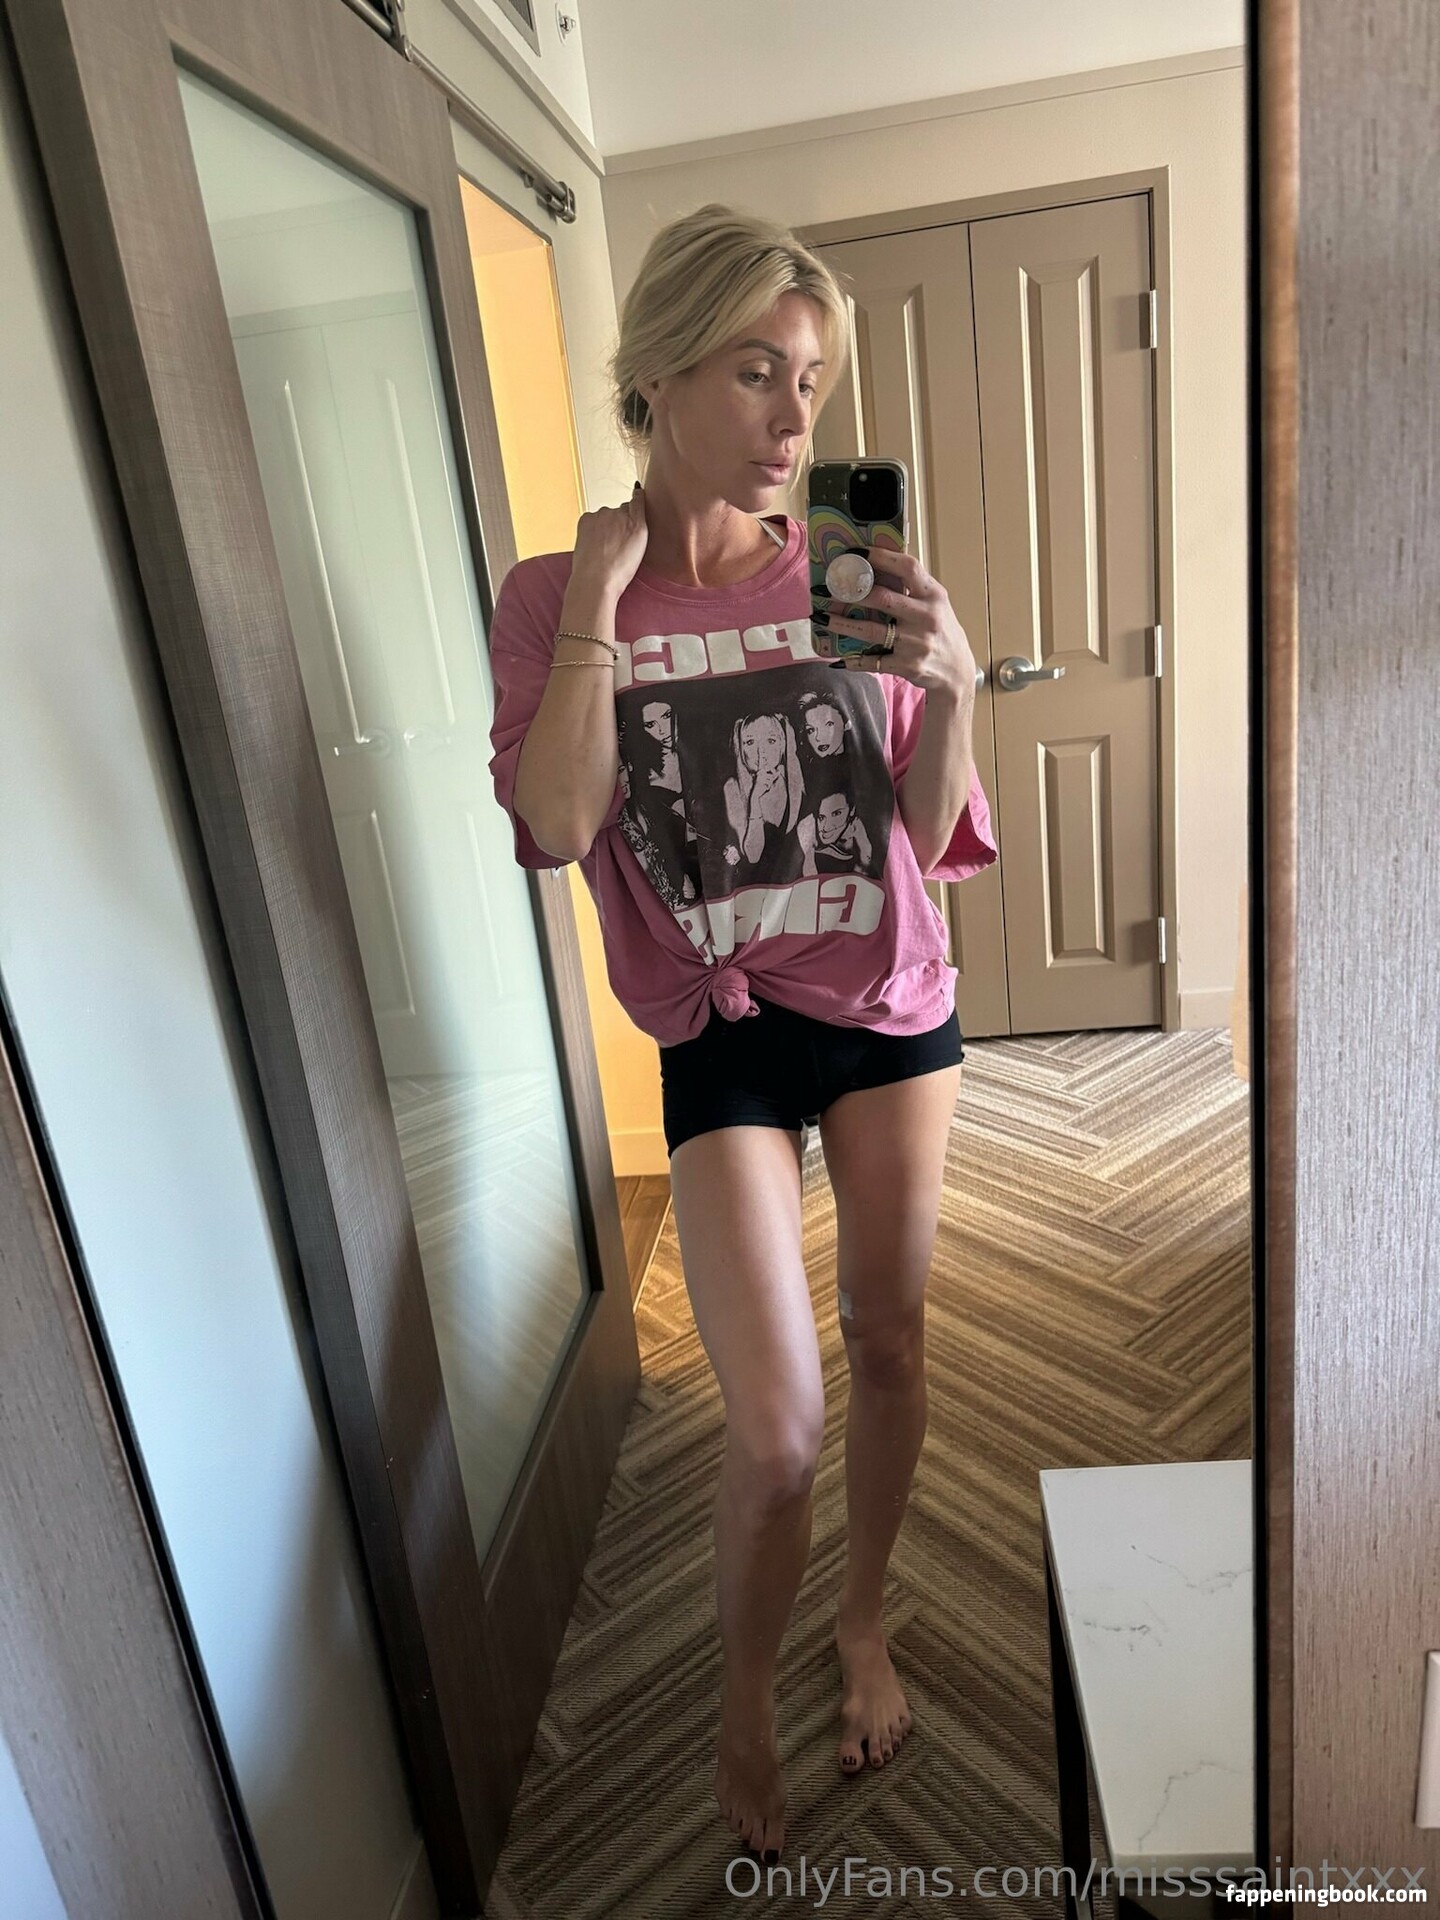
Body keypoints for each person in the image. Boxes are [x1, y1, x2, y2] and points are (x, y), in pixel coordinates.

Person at [486, 203, 997, 1866]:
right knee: (775, 1434)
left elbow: (922, 832)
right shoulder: (557, 594)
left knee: (891, 1341)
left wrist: (955, 690)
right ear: (657, 375)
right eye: (757, 372)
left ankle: (862, 1619)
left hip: (883, 999)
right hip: (718, 1023)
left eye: (812, 381)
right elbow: (558, 823)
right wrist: (598, 602)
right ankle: (741, 1693)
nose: (795, 418)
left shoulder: (842, 570)